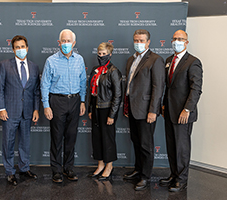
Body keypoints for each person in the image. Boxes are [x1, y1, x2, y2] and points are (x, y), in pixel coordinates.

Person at [41, 29, 86, 183]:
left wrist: (82, 101)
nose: (66, 44)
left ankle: (68, 168)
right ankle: (56, 170)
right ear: (58, 43)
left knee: (71, 138)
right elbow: (44, 85)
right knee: (56, 138)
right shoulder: (51, 61)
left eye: (69, 41)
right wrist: (46, 105)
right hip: (57, 102)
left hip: (74, 101)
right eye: (63, 41)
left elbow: (82, 82)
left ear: (74, 43)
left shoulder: (79, 60)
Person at [159, 30, 203, 192]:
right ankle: (174, 174)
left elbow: (196, 89)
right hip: (169, 111)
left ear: (186, 42)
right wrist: (163, 105)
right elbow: (167, 87)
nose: (176, 41)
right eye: (175, 38)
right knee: (171, 145)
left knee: (182, 147)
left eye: (180, 39)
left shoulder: (193, 62)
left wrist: (187, 109)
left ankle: (182, 179)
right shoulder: (169, 60)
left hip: (183, 113)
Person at [123, 29, 165, 190]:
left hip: (147, 110)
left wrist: (153, 111)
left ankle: (146, 176)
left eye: (141, 40)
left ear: (148, 42)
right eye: (136, 40)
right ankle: (138, 170)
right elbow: (129, 85)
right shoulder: (130, 60)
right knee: (136, 141)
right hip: (132, 108)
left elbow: (158, 87)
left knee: (146, 145)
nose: (138, 43)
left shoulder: (156, 60)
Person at [0, 35, 40, 186]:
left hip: (27, 112)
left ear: (27, 48)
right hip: (9, 111)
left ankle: (24, 168)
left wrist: (36, 109)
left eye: (23, 46)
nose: (20, 49)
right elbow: (0, 89)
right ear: (13, 49)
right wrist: (1, 108)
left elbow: (35, 91)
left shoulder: (34, 67)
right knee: (8, 142)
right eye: (17, 47)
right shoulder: (4, 65)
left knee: (25, 142)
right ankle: (9, 171)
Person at [87, 42, 122, 180]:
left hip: (107, 109)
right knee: (97, 138)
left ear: (110, 54)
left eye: (104, 54)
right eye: (99, 54)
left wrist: (112, 114)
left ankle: (109, 166)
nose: (101, 56)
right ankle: (100, 164)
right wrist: (90, 109)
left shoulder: (113, 71)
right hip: (96, 107)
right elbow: (91, 92)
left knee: (108, 138)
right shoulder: (95, 70)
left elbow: (117, 95)